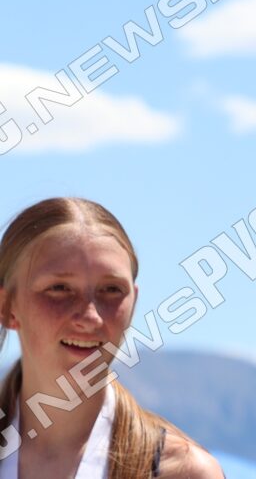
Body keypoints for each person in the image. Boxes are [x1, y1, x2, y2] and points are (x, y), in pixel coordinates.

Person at [0, 197, 223, 479]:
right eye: (59, 288)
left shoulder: (182, 472)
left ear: (134, 302)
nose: (90, 316)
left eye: (111, 289)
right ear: (7, 307)